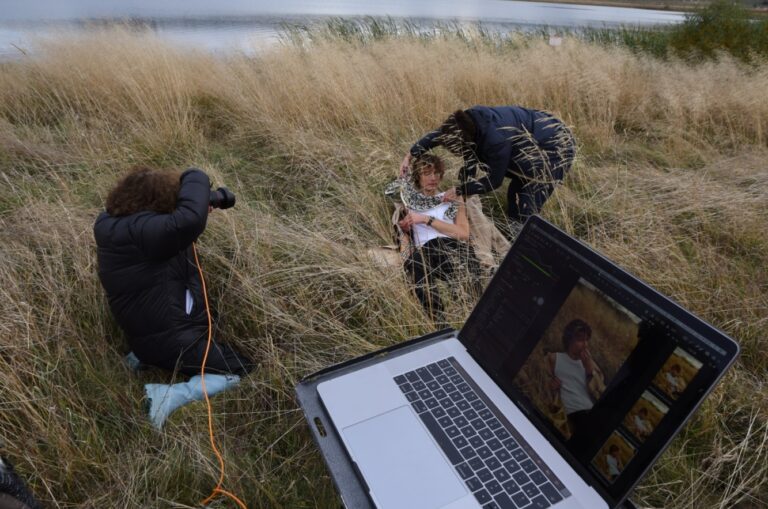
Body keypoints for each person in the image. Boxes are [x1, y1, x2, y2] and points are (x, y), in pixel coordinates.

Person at [94, 167, 253, 428]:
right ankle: (169, 395)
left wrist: (202, 203)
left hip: (143, 336)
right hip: (175, 342)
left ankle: (143, 357)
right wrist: (195, 176)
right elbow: (188, 221)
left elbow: (178, 225)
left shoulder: (111, 224)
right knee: (239, 369)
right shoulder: (149, 233)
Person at [400, 105, 576, 236]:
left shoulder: (496, 141)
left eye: (461, 150)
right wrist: (410, 155)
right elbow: (438, 135)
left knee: (526, 196)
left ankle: (525, 241)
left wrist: (460, 190)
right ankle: (515, 231)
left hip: (555, 147)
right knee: (514, 190)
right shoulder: (463, 123)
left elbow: (495, 180)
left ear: (469, 142)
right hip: (535, 135)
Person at [394, 154, 482, 322]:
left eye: (436, 173)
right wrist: (405, 229)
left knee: (467, 268)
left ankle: (474, 309)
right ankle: (438, 321)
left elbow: (463, 234)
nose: (433, 178)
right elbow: (401, 180)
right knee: (416, 263)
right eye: (427, 173)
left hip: (451, 245)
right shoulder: (410, 203)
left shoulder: (453, 199)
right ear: (418, 177)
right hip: (426, 250)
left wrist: (427, 220)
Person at [547, 319, 604, 438]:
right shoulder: (554, 358)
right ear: (569, 340)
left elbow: (599, 390)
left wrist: (589, 369)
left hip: (590, 412)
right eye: (580, 340)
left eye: (587, 340)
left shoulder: (590, 363)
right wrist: (551, 386)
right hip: (572, 415)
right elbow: (544, 382)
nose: (585, 344)